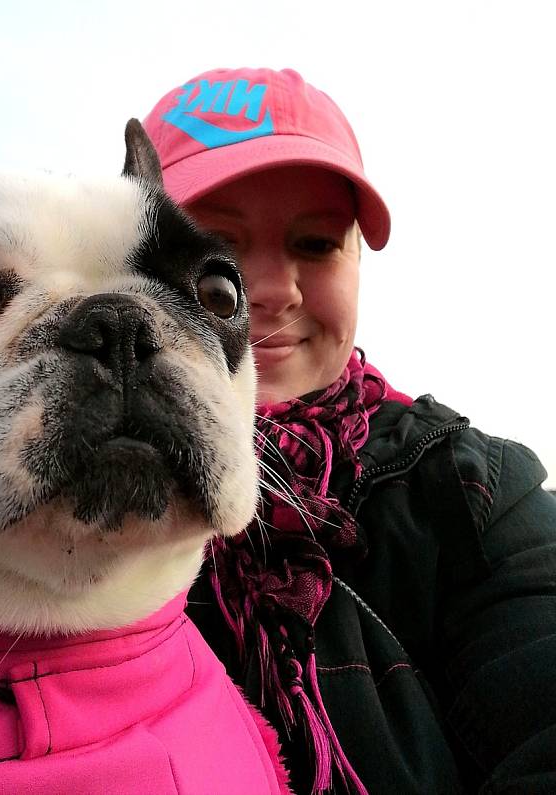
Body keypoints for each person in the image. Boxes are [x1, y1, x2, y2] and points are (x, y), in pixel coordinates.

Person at [140, 67, 556, 794]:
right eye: (215, 251)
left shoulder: (465, 488)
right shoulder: (37, 485)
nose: (272, 288)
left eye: (315, 243)